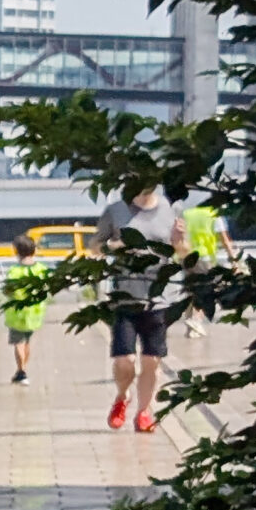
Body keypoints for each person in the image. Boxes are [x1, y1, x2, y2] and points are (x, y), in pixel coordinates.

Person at [97, 180, 185, 435]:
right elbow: (95, 246)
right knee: (125, 360)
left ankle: (144, 412)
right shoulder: (115, 211)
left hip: (159, 298)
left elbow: (183, 252)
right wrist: (117, 246)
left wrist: (180, 243)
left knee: (151, 361)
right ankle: (122, 396)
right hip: (125, 298)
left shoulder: (172, 210)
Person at [181, 200, 232, 340]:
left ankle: (192, 330)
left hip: (186, 257)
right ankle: (196, 320)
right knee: (207, 291)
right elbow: (224, 239)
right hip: (204, 257)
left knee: (192, 290)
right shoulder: (215, 215)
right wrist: (233, 259)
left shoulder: (187, 214)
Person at [0, 235, 45, 385]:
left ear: (17, 251)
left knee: (18, 342)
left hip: (17, 313)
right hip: (34, 312)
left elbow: (7, 290)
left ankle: (21, 372)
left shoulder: (15, 271)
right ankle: (23, 369)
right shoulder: (40, 269)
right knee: (27, 342)